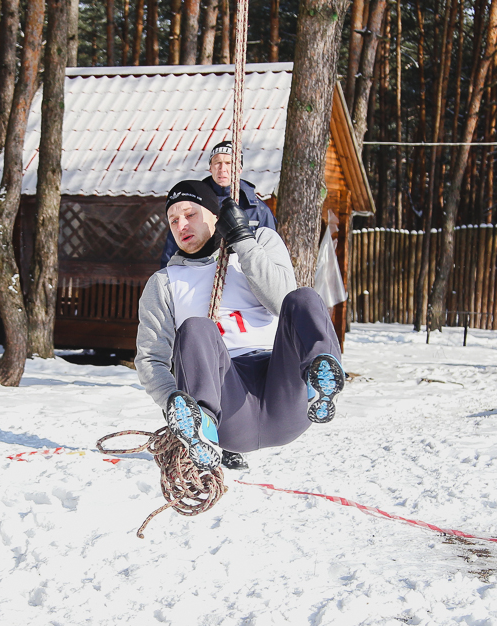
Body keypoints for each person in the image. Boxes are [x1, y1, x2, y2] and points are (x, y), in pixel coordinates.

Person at [135, 180, 346, 472]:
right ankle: (200, 425)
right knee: (196, 327)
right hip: (227, 408)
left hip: (286, 392)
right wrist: (175, 402)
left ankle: (319, 382)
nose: (181, 224)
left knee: (303, 297)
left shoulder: (260, 242)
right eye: (173, 220)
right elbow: (150, 359)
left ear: (215, 215)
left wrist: (243, 240)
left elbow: (282, 300)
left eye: (190, 214)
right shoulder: (164, 283)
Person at [158, 140, 278, 267]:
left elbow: (271, 252)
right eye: (217, 163)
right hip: (198, 274)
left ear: (239, 169)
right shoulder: (191, 204)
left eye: (228, 163)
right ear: (210, 168)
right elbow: (172, 250)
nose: (222, 169)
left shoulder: (257, 208)